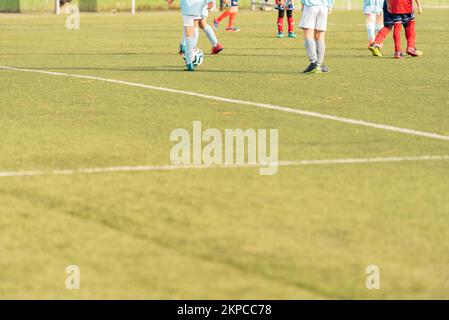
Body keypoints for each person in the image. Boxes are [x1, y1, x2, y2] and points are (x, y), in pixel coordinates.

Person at [169, 0, 224, 71]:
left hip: (191, 5)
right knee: (200, 23)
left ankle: (190, 53)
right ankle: (216, 45)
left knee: (192, 25)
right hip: (200, 3)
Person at [299, 0, 333, 74]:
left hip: (310, 6)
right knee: (320, 36)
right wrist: (330, 6)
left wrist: (286, 2)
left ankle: (313, 63)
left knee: (308, 33)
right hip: (324, 7)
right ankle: (319, 65)